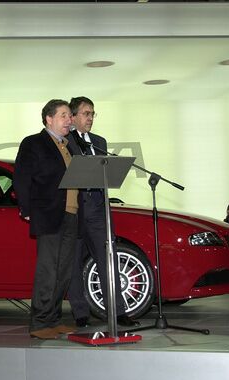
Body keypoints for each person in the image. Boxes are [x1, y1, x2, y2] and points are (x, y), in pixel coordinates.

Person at [66, 96, 139, 328]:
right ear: (73, 116)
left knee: (108, 260)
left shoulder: (99, 141)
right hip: (75, 210)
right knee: (74, 263)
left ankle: (117, 311)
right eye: (86, 113)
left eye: (92, 114)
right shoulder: (64, 141)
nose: (90, 118)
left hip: (97, 210)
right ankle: (80, 312)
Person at [13, 99, 79, 339]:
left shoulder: (69, 145)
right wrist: (26, 208)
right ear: (48, 119)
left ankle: (54, 319)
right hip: (48, 212)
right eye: (63, 115)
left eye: (70, 116)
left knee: (64, 271)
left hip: (71, 214)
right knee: (48, 270)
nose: (69, 120)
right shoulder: (34, 143)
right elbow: (21, 177)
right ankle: (40, 323)